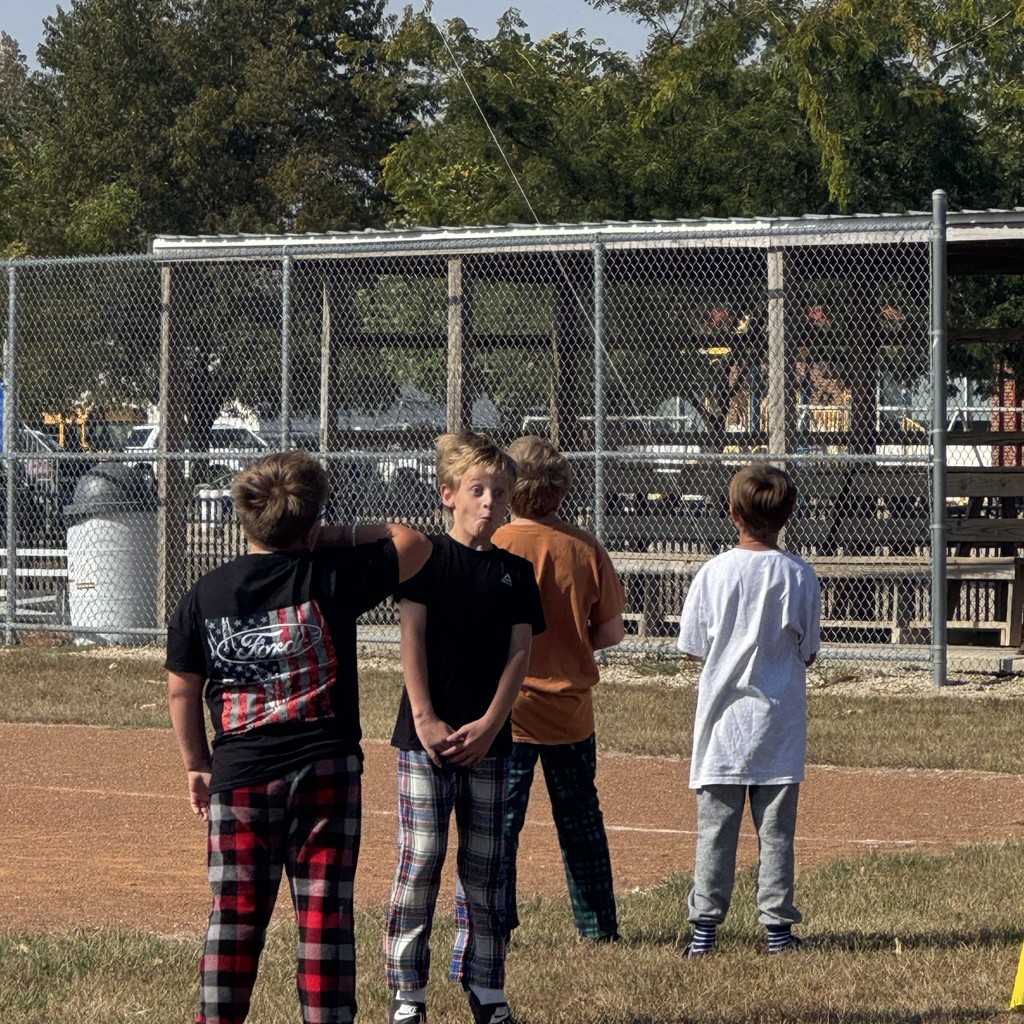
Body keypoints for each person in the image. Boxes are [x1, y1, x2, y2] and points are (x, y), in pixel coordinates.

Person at [166, 449, 432, 1024]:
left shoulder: (204, 595)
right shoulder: (329, 574)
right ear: (312, 522)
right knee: (323, 911)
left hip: (240, 774)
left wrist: (197, 762)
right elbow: (413, 543)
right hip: (326, 768)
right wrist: (329, 535)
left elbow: (183, 690)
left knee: (235, 915)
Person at [385, 432, 545, 1024]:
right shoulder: (426, 560)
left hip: (489, 744)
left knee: (486, 865)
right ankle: (407, 990)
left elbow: (519, 654)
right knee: (422, 858)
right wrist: (425, 718)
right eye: (477, 490)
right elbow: (412, 638)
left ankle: (485, 984)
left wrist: (491, 723)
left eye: (499, 493)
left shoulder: (515, 572)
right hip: (424, 741)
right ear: (449, 494)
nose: (488, 502)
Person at [676, 463, 820, 957]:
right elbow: (808, 650)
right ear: (788, 515)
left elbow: (693, 646)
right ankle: (777, 932)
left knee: (715, 833)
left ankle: (704, 932)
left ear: (732, 513)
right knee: (776, 835)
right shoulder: (799, 575)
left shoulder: (714, 573)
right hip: (779, 726)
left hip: (722, 727)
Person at [492, 435, 626, 944]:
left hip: (508, 712)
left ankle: (495, 925)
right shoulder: (585, 546)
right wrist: (574, 643)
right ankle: (599, 927)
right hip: (571, 711)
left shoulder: (497, 544)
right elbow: (611, 631)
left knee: (501, 826)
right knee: (581, 821)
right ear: (562, 489)